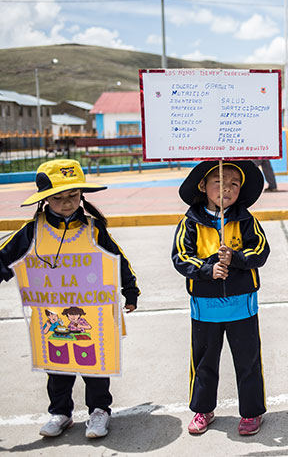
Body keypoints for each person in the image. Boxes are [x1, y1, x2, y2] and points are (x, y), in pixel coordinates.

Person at [0, 159, 139, 439]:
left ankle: (99, 411)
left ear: (82, 196)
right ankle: (60, 412)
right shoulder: (32, 231)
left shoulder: (93, 228)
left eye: (73, 196)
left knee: (96, 365)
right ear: (45, 200)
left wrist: (130, 290)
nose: (67, 203)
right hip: (51, 312)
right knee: (58, 365)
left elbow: (118, 260)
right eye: (58, 198)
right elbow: (3, 257)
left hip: (94, 312)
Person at [172, 160, 270, 436]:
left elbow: (261, 251)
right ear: (203, 186)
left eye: (234, 184)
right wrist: (207, 269)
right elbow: (180, 257)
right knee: (204, 362)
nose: (226, 189)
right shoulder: (190, 221)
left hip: (242, 306)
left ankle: (252, 412)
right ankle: (203, 409)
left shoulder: (246, 219)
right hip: (205, 309)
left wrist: (236, 258)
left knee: (248, 362)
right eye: (219, 181)